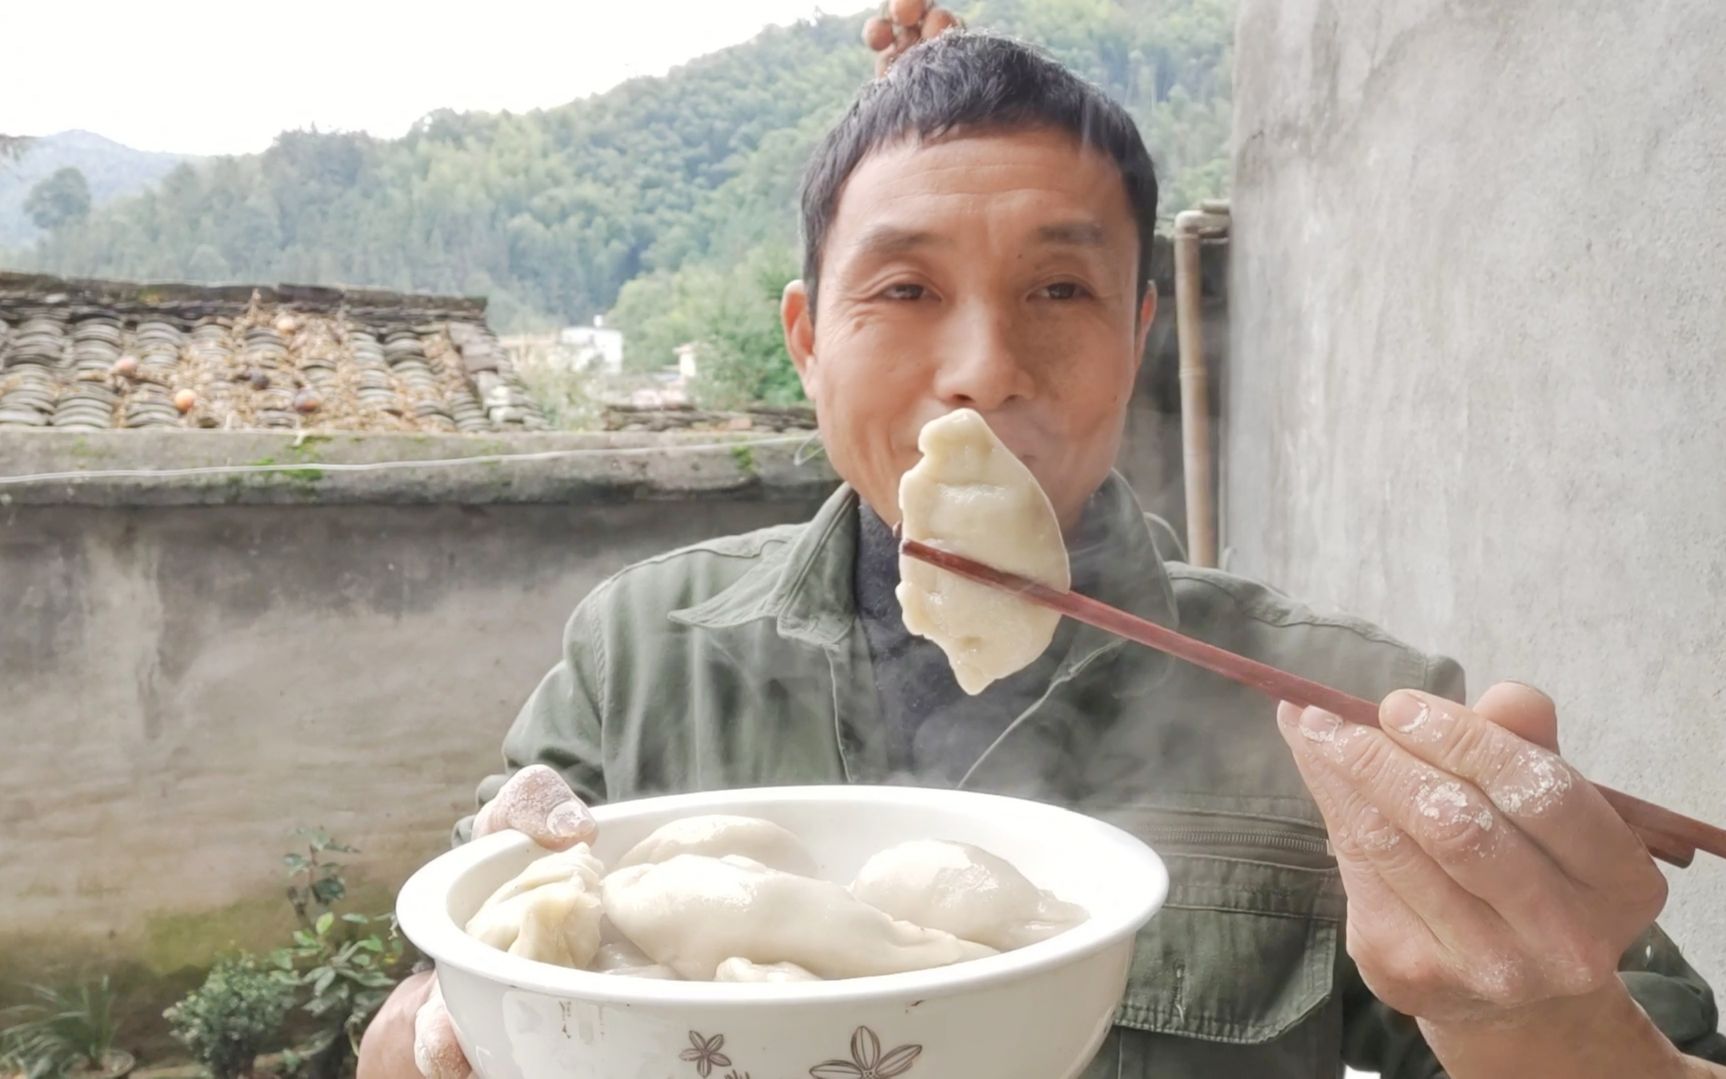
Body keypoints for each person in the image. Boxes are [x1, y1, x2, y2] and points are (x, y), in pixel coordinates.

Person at [359, 33, 1725, 1079]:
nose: (980, 373)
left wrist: (1545, 1018)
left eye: (1057, 291)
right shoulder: (641, 653)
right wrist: (450, 1015)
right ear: (804, 337)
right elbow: (408, 1029)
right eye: (902, 291)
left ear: (1135, 336)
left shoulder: (1335, 716)